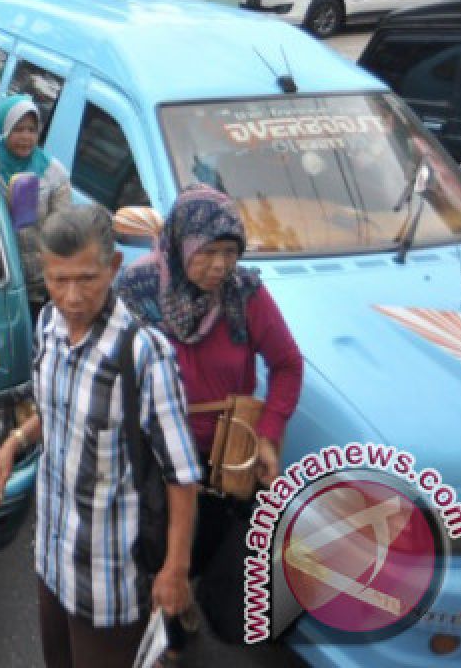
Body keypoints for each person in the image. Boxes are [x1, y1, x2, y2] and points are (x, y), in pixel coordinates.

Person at [0, 204, 200, 668]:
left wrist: (175, 569)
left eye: (86, 278)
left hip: (111, 582)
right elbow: (56, 409)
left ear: (114, 267)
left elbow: (181, 476)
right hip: (52, 562)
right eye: (59, 281)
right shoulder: (48, 327)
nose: (72, 296)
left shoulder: (143, 355)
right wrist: (15, 442)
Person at [117, 184, 303, 645]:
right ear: (180, 244)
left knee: (216, 549)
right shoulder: (136, 292)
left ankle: (190, 609)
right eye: (207, 252)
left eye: (229, 252)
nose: (219, 266)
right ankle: (167, 632)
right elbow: (113, 372)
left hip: (227, 456)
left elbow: (287, 365)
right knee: (154, 551)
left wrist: (268, 432)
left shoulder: (245, 294)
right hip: (157, 454)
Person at [0, 94, 72, 320]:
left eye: (32, 130)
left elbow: (63, 231)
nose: (26, 137)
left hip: (37, 286)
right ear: (4, 129)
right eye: (18, 129)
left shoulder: (54, 174)